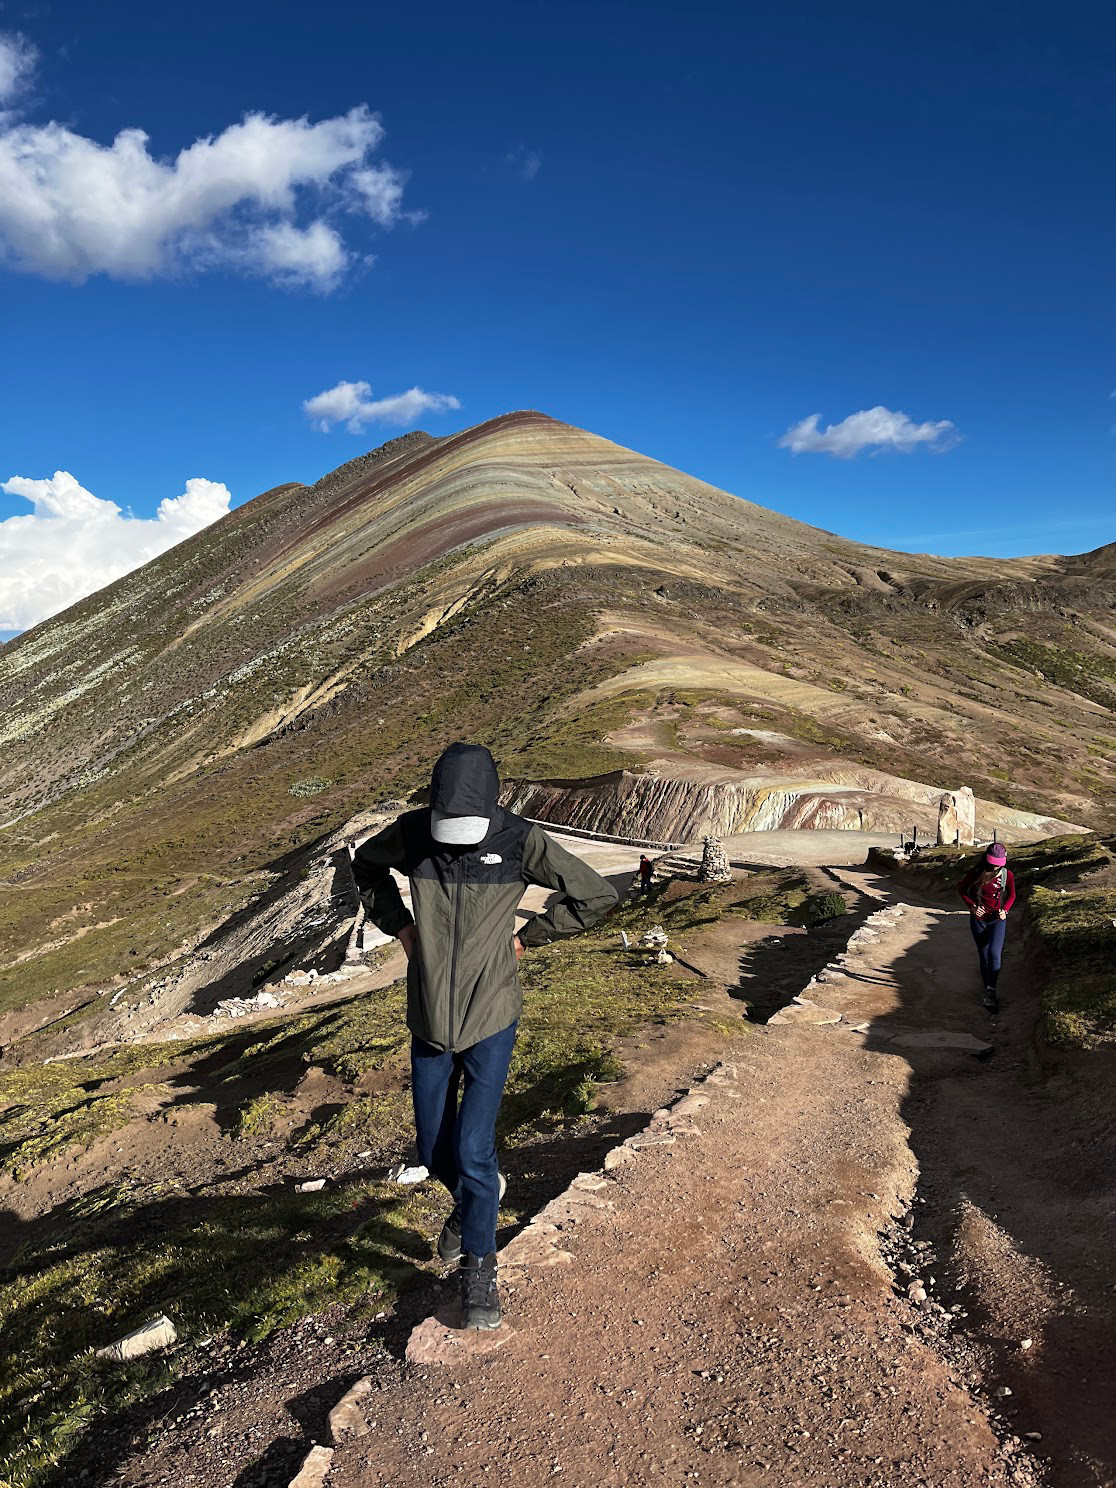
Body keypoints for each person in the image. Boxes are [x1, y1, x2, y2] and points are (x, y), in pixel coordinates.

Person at [351, 742, 618, 1330]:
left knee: (472, 1146)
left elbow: (596, 894)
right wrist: (401, 928)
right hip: (428, 1017)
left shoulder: (520, 840)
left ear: (493, 806)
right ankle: (477, 1198)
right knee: (431, 1148)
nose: (458, 836)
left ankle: (479, 1268)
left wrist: (526, 940)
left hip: (492, 1013)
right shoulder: (413, 833)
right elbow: (365, 867)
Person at [957, 843, 1016, 1012]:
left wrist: (1005, 910)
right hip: (978, 919)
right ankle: (988, 989)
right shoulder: (976, 873)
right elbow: (962, 889)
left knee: (994, 954)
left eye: (999, 861)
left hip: (998, 919)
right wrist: (972, 906)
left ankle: (992, 988)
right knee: (984, 955)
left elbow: (1012, 895)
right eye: (994, 861)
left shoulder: (1007, 875)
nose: (996, 864)